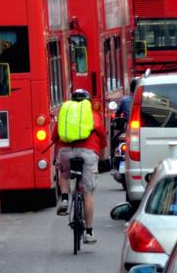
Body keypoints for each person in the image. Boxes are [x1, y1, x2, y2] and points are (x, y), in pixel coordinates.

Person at [51, 89, 107, 244]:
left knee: (63, 175)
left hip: (65, 152)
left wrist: (57, 158)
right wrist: (102, 157)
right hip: (88, 152)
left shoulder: (64, 115)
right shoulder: (93, 115)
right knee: (87, 193)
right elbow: (102, 137)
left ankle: (64, 199)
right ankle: (89, 232)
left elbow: (54, 137)